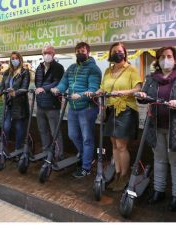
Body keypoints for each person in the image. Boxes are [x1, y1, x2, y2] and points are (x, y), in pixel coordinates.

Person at [95, 42, 142, 191]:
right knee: (114, 144)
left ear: (125, 53)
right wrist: (98, 91)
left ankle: (124, 176)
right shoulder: (108, 71)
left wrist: (124, 92)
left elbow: (138, 88)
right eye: (114, 51)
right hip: (111, 109)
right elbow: (104, 87)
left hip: (126, 110)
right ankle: (116, 173)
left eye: (120, 51)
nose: (117, 53)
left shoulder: (131, 69)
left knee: (122, 145)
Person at [51, 42, 102, 178]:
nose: (80, 53)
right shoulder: (72, 68)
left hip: (87, 108)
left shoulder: (94, 69)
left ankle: (86, 166)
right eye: (78, 51)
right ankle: (87, 155)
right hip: (73, 107)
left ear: (88, 52)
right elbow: (64, 82)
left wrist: (81, 95)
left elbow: (93, 88)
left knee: (87, 139)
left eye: (83, 50)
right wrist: (58, 89)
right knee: (72, 135)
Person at [136, 46, 176, 211]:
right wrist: (142, 96)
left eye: (169, 56)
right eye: (162, 57)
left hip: (174, 128)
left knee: (175, 162)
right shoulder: (151, 78)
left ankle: (175, 195)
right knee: (159, 160)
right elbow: (143, 98)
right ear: (158, 60)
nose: (165, 59)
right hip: (155, 126)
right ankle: (158, 191)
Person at [0, 51, 30, 152]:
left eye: (16, 58)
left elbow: (24, 88)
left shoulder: (24, 72)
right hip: (8, 104)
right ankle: (3, 149)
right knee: (6, 127)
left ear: (20, 59)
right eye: (12, 58)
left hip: (19, 105)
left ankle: (18, 149)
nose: (14, 60)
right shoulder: (7, 72)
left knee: (19, 128)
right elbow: (2, 87)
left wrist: (15, 93)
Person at [35, 45, 64, 160]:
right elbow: (38, 83)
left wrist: (44, 89)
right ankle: (46, 151)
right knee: (43, 130)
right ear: (42, 54)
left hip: (52, 105)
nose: (47, 54)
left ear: (54, 54)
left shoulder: (58, 67)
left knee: (55, 131)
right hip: (40, 104)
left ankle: (59, 154)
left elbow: (57, 83)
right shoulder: (39, 67)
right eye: (45, 52)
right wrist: (39, 89)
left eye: (50, 52)